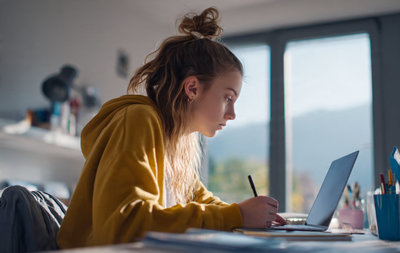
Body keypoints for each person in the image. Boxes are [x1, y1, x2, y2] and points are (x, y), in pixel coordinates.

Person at [57, 7, 286, 248]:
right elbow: (126, 226)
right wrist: (236, 216)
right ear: (192, 88)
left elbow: (200, 199)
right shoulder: (138, 120)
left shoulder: (177, 140)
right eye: (227, 98)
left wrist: (246, 214)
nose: (232, 114)